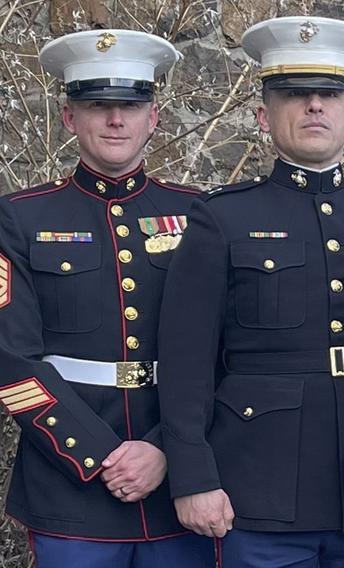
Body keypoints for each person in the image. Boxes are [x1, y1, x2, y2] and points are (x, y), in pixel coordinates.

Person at [155, 16, 344, 568]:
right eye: (295, 95)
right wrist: (193, 477)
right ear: (263, 116)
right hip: (256, 491)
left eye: (329, 95)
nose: (314, 106)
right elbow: (184, 363)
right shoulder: (222, 217)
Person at [0, 29, 214, 567]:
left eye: (131, 105)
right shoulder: (19, 219)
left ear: (154, 117)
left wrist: (166, 448)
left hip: (179, 485)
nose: (115, 120)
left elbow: (228, 348)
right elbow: (11, 360)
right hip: (70, 486)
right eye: (97, 105)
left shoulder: (201, 215)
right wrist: (100, 456)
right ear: (70, 118)